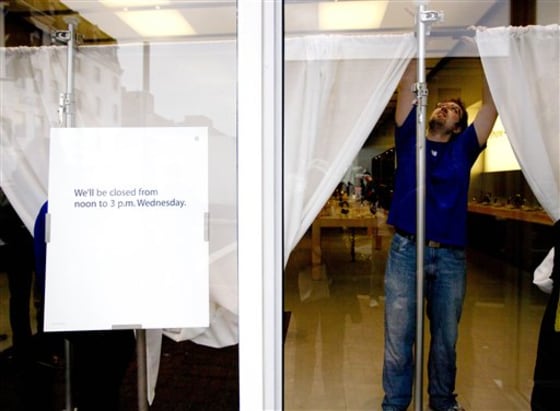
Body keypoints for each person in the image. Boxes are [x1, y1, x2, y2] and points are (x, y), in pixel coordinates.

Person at [381, 59, 497, 411]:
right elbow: (406, 86)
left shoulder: (463, 149)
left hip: (449, 257)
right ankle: (395, 405)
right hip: (406, 250)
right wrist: (420, 50)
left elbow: (491, 106)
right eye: (443, 104)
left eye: (453, 110)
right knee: (399, 336)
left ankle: (443, 402)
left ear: (459, 126)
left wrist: (491, 53)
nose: (446, 107)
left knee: (445, 339)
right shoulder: (409, 139)